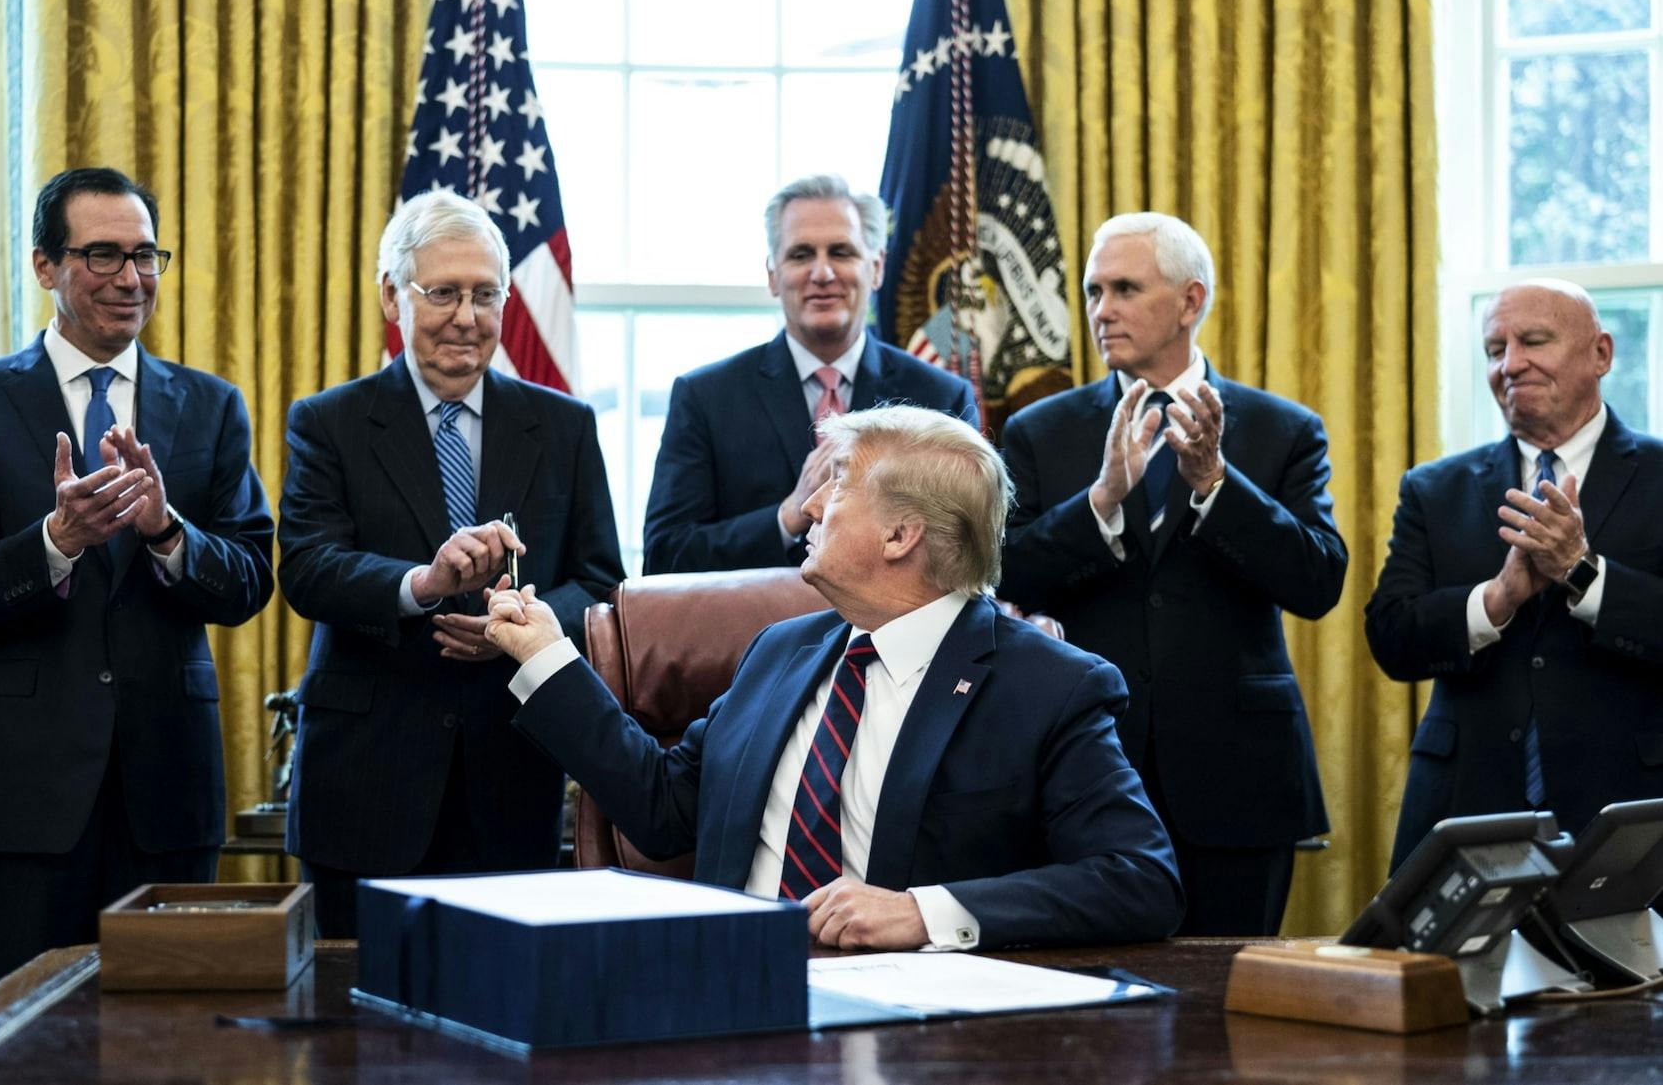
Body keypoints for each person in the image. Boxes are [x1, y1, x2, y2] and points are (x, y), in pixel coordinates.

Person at [486, 405, 1182, 951]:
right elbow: (664, 808)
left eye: (838, 485)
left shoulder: (1049, 687)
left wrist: (922, 911)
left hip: (913, 1025)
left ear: (900, 535)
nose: (810, 507)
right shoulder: (778, 653)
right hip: (732, 993)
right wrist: (548, 655)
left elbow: (1140, 879)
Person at [0, 168, 275, 994]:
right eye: (104, 254)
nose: (131, 277)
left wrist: (165, 531)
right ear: (46, 265)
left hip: (169, 800)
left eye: (147, 254)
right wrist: (55, 541)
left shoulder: (212, 406)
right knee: (17, 1051)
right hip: (22, 805)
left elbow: (252, 578)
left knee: (168, 1045)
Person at [278, 191, 622, 939]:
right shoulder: (328, 421)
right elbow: (306, 568)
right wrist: (422, 586)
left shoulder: (564, 426)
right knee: (355, 1037)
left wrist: (519, 624)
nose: (466, 316)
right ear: (391, 297)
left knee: (502, 1033)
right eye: (442, 292)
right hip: (366, 788)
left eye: (484, 293)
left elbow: (601, 583)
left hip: (513, 777)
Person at [999, 212, 1346, 936]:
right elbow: (1005, 575)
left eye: (1125, 288)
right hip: (1085, 768)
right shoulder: (1041, 430)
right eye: (1094, 291)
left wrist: (1217, 483)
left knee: (1231, 1012)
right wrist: (1101, 500)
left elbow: (1319, 581)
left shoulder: (1284, 429)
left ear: (1191, 302)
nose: (1101, 310)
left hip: (1238, 776)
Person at [1367, 278, 1663, 871]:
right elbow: (1392, 638)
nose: (1511, 365)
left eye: (1533, 341)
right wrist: (1496, 600)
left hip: (1628, 810)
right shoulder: (1434, 488)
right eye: (1494, 350)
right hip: (1464, 808)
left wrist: (1583, 575)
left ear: (1601, 354)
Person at [642, 174, 977, 574]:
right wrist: (789, 513)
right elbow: (665, 556)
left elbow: (968, 553)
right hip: (747, 632)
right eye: (801, 255)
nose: (822, 273)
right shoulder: (706, 397)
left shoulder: (940, 398)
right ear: (772, 274)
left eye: (841, 252)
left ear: (877, 268)